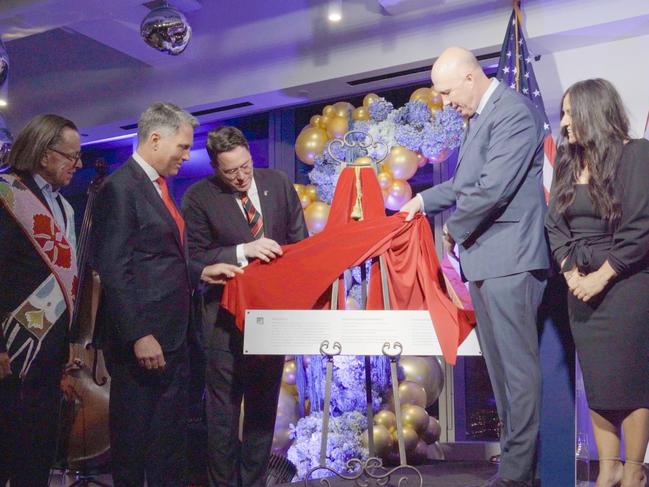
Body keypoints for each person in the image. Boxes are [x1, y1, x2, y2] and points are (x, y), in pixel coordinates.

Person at [401, 47, 549, 487]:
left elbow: (492, 190)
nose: (445, 102)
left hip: (512, 260)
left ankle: (519, 473)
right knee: (501, 373)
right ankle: (518, 469)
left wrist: (453, 230)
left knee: (518, 372)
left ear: (469, 77)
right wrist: (422, 201)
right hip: (488, 262)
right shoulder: (480, 118)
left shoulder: (513, 112)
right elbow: (465, 184)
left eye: (447, 92)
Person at [92, 102, 241, 487]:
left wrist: (202, 270)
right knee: (134, 445)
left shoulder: (158, 187)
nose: (187, 156)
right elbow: (115, 268)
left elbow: (159, 258)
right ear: (155, 139)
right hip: (145, 342)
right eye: (183, 146)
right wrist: (139, 334)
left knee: (167, 446)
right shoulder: (120, 188)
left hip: (173, 338)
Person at [182, 126, 308, 487]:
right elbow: (193, 258)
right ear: (215, 168)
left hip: (269, 319)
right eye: (230, 171)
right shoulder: (198, 197)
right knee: (221, 416)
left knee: (261, 411)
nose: (240, 176)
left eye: (245, 166)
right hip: (221, 322)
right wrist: (243, 250)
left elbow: (299, 244)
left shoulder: (279, 183)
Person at [546, 79, 649, 487]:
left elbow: (641, 227)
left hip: (626, 284)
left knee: (631, 380)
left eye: (571, 112)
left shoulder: (636, 154)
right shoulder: (567, 163)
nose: (565, 122)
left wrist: (603, 276)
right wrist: (573, 273)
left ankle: (635, 470)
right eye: (564, 114)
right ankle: (607, 470)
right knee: (600, 382)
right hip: (580, 285)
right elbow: (554, 223)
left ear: (594, 111)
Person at [0, 114, 81, 486]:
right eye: (70, 156)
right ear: (45, 153)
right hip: (9, 349)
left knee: (37, 451)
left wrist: (67, 351)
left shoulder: (65, 208)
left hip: (48, 354)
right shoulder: (6, 194)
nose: (77, 165)